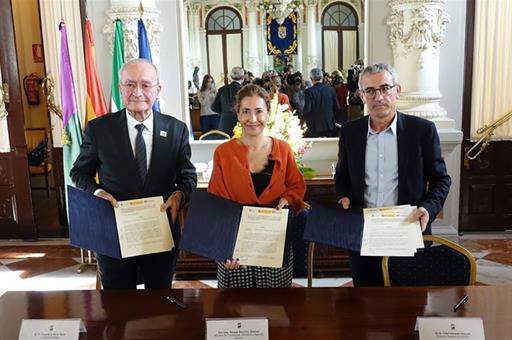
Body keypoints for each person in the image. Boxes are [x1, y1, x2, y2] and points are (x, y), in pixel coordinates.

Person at [70, 59, 197, 289]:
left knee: (160, 311)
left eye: (146, 85)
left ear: (158, 90)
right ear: (120, 89)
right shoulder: (99, 129)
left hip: (160, 235)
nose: (137, 92)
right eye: (129, 85)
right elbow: (79, 172)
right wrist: (97, 192)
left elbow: (188, 176)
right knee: (118, 311)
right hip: (114, 235)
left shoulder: (176, 129)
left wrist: (179, 196)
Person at [334, 63, 451, 286]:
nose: (378, 97)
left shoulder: (422, 131)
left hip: (406, 230)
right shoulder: (350, 132)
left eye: (385, 88)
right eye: (370, 91)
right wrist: (343, 195)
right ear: (362, 95)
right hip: (363, 233)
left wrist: (427, 208)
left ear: (397, 90)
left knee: (409, 303)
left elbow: (441, 179)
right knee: (365, 301)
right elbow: (342, 174)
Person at [208, 84, 306, 288]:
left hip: (274, 244)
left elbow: (296, 187)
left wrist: (287, 199)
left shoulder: (284, 149)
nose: (252, 119)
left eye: (259, 111)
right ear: (237, 114)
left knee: (276, 309)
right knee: (236, 312)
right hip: (235, 249)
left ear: (268, 114)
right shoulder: (223, 153)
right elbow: (216, 204)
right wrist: (224, 248)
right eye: (246, 111)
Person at [303, 68, 340, 137]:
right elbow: (337, 108)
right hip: (330, 126)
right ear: (322, 78)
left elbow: (307, 110)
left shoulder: (309, 91)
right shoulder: (331, 90)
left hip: (314, 128)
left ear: (311, 78)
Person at [212, 66, 245, 136]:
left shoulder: (222, 89)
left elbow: (213, 107)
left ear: (231, 77)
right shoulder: (244, 90)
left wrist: (225, 112)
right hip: (239, 123)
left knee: (225, 145)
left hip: (224, 123)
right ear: (243, 77)